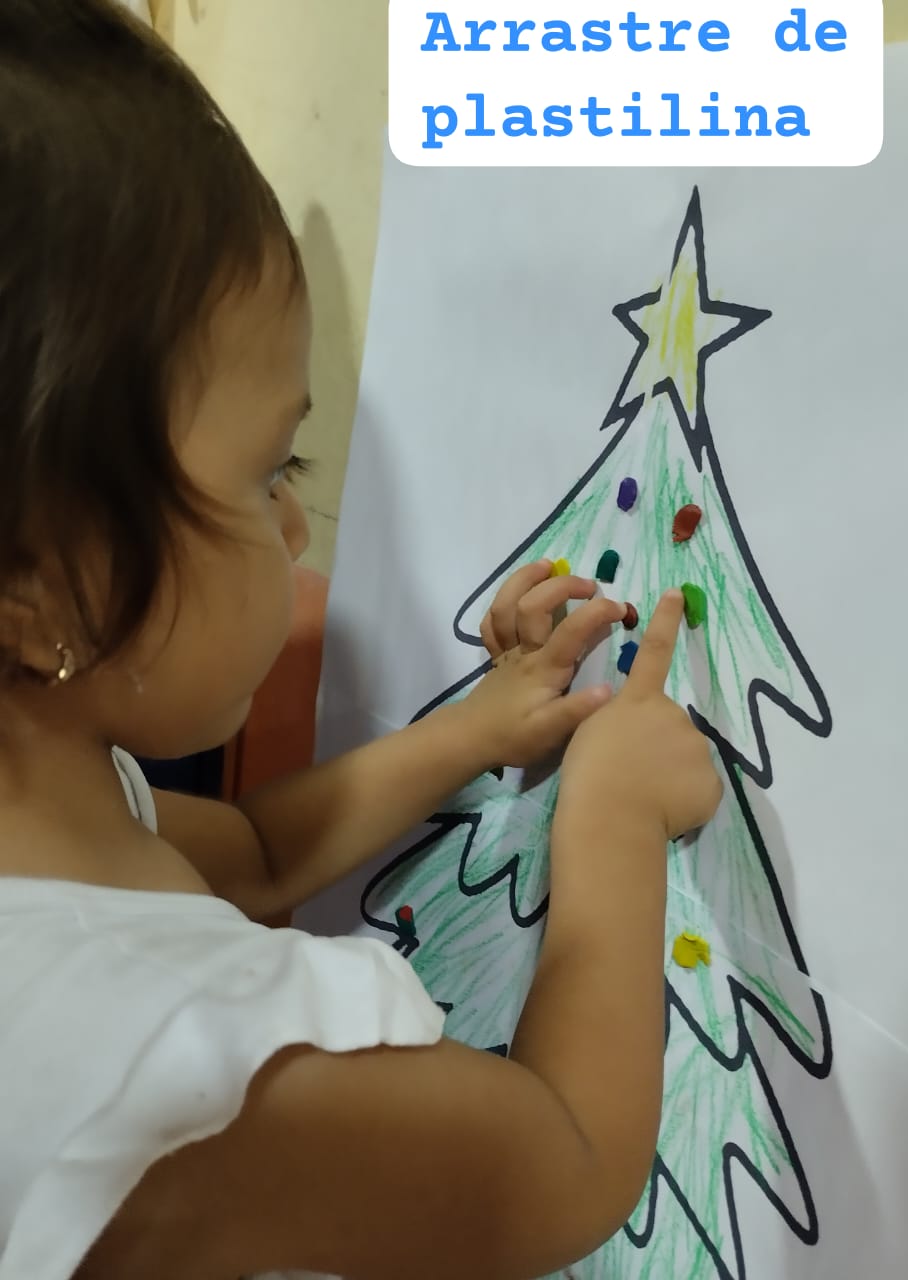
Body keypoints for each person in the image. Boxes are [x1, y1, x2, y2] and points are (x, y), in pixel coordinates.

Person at [0, 2, 723, 1277]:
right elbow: (563, 1160)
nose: (296, 522)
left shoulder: (55, 807)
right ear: (42, 590)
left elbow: (257, 855)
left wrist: (476, 726)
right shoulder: (164, 1061)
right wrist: (613, 811)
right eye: (269, 468)